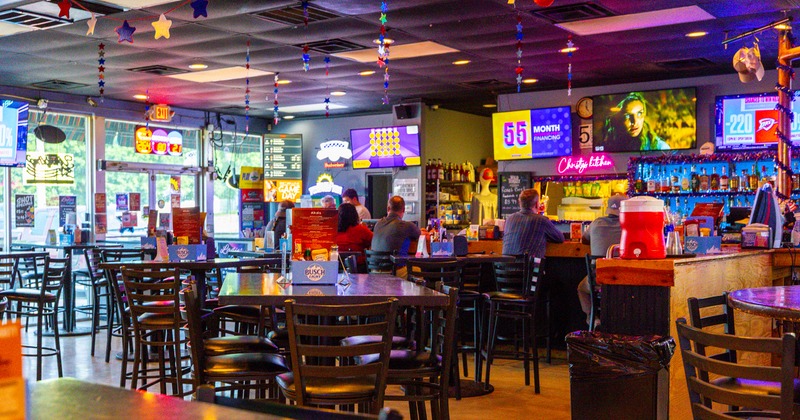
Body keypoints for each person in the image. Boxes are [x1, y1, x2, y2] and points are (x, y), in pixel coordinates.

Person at [577, 194, 627, 328]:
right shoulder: (629, 226)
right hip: (622, 280)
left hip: (597, 279)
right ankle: (622, 323)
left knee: (582, 288)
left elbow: (584, 240)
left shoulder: (596, 223)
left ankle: (592, 318)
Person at [502, 188, 564, 259]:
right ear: (537, 204)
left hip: (504, 268)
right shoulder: (541, 220)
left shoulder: (509, 219)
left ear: (520, 203)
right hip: (530, 269)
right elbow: (560, 238)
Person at [599, 92, 670, 152]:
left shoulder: (660, 148)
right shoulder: (607, 145)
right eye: (627, 116)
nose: (635, 122)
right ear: (617, 119)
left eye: (639, 113)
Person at [371, 195, 421, 277]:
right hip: (393, 272)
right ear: (404, 210)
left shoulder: (377, 224)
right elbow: (420, 236)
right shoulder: (406, 225)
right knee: (417, 270)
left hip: (374, 270)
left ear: (388, 209)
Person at [334, 203, 373, 269]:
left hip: (336, 268)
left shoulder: (332, 231)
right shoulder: (361, 229)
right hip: (359, 268)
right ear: (355, 215)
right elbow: (374, 241)